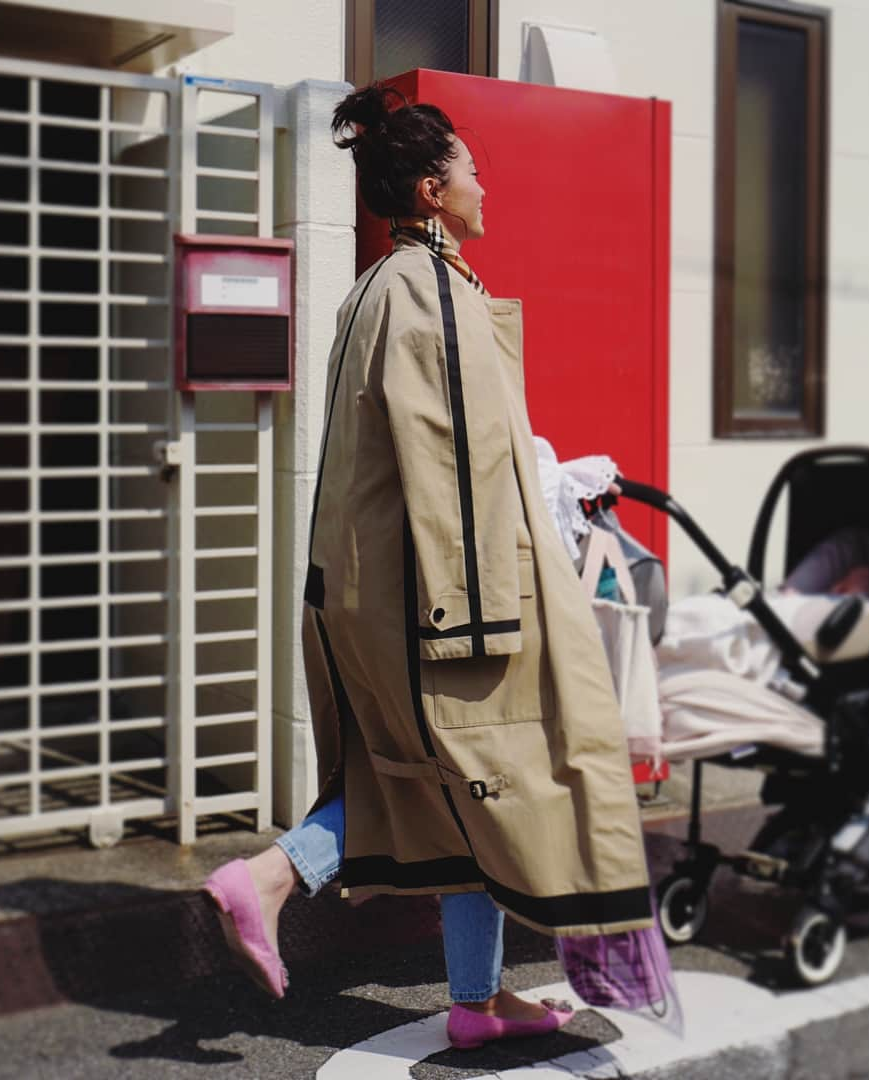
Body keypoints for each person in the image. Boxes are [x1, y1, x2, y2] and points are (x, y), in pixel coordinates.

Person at [202, 84, 651, 1051]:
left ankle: (476, 1003)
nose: (487, 187)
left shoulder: (381, 285)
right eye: (474, 171)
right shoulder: (431, 291)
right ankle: (272, 877)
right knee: (479, 769)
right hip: (436, 597)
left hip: (377, 587)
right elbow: (455, 465)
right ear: (435, 189)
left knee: (449, 783)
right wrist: (483, 619)